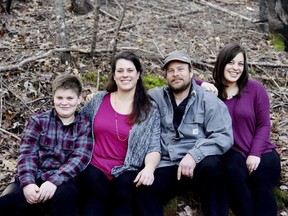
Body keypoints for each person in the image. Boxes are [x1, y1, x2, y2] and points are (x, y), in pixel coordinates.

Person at [136, 50, 234, 216]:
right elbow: (128, 97)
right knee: (142, 188)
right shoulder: (155, 97)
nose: (176, 74)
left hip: (198, 165)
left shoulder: (208, 100)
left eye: (180, 69)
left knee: (214, 168)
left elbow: (223, 136)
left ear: (191, 72)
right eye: (171, 71)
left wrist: (194, 154)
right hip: (167, 164)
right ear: (166, 75)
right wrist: (101, 97)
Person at [79, 51, 161, 216]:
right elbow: (77, 128)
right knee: (95, 202)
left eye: (130, 71)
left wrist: (149, 168)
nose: (125, 75)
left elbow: (154, 146)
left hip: (126, 171)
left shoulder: (149, 110)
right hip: (93, 167)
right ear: (114, 76)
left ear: (138, 75)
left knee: (123, 199)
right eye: (120, 71)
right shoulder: (98, 100)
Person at [0, 74, 93, 216]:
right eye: (60, 98)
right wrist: (28, 183)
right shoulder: (38, 121)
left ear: (79, 99)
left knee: (67, 199)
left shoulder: (84, 126)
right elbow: (26, 155)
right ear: (53, 98)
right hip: (34, 176)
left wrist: (54, 181)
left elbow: (79, 158)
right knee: (8, 201)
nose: (64, 103)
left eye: (70, 98)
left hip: (64, 180)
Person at [212, 43, 281, 216]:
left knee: (260, 179)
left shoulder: (255, 88)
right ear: (222, 64)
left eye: (240, 64)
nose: (235, 68)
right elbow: (187, 83)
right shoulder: (213, 94)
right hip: (235, 154)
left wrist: (255, 153)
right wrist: (202, 83)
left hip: (263, 152)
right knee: (233, 176)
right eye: (231, 62)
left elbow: (264, 124)